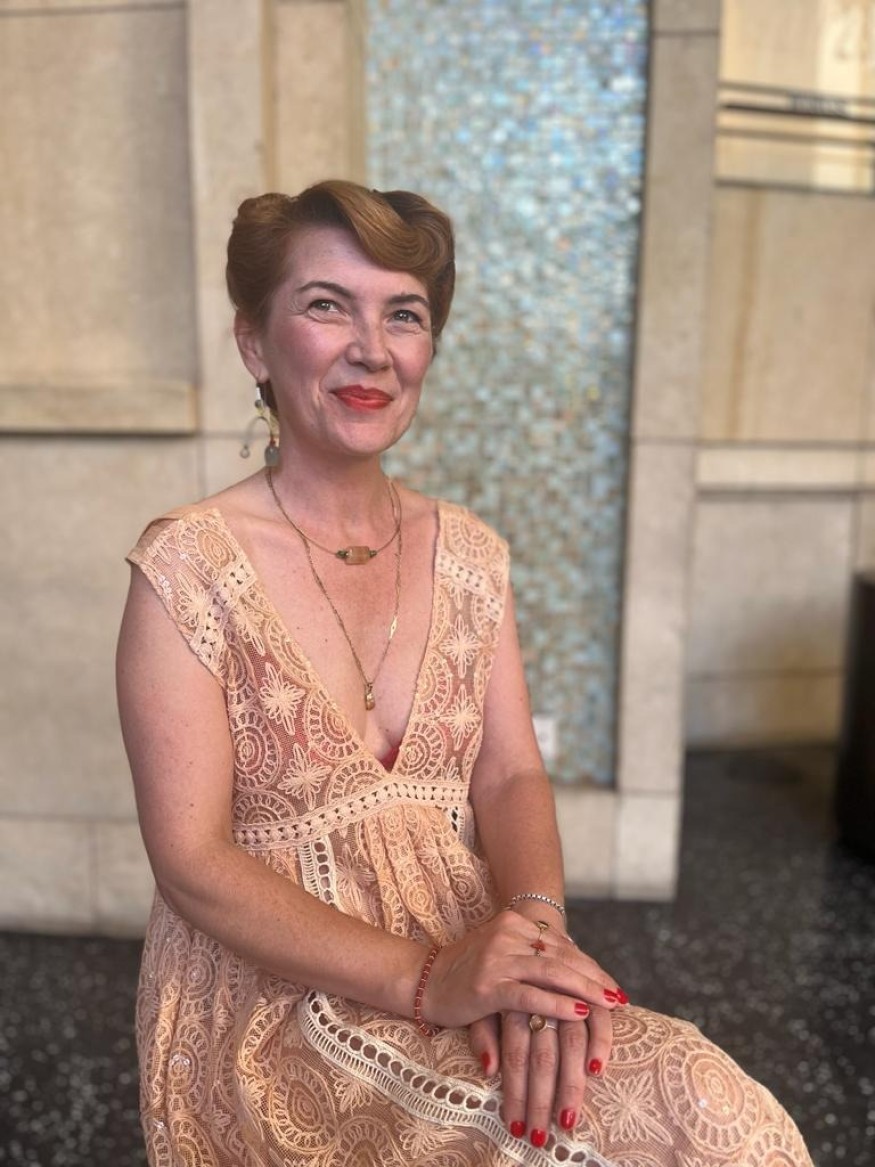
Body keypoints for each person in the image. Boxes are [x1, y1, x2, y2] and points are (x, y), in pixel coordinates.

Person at [117, 179, 812, 1166]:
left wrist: (533, 948)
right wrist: (423, 980)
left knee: (713, 1110)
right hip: (273, 1003)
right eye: (327, 305)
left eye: (402, 315)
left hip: (470, 945)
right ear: (254, 344)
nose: (371, 348)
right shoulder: (187, 564)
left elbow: (510, 774)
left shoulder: (471, 555)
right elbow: (191, 858)